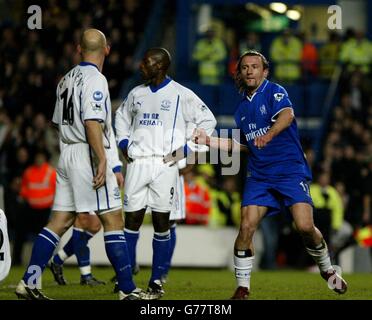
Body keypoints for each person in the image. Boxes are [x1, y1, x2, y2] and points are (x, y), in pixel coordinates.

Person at [192, 50, 348, 300]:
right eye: (245, 67)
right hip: (260, 174)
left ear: (264, 71)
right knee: (246, 226)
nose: (250, 70)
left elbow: (287, 116)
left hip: (288, 169)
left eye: (255, 66)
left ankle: (327, 269)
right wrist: (208, 140)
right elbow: (244, 145)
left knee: (305, 226)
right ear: (240, 73)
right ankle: (243, 287)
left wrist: (270, 134)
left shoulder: (275, 91)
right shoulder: (241, 109)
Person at [15, 28, 142, 300]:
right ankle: (128, 291)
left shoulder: (65, 80)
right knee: (112, 219)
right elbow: (92, 121)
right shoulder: (96, 80)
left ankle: (29, 283)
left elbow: (57, 122)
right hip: (88, 153)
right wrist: (103, 157)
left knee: (58, 221)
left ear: (77, 49)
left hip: (67, 153)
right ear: (106, 49)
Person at [115, 47, 217, 299]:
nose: (141, 66)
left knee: (162, 222)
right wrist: (124, 143)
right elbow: (121, 118)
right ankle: (125, 280)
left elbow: (209, 122)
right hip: (138, 163)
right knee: (131, 222)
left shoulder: (182, 94)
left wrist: (187, 149)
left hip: (165, 165)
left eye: (146, 63)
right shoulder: (136, 93)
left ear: (159, 66)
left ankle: (156, 280)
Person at [49, 130, 124, 286]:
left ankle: (58, 259)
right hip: (81, 166)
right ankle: (86, 274)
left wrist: (116, 168)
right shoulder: (84, 113)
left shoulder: (97, 113)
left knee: (95, 225)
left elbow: (107, 139)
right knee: (82, 220)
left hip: (95, 166)